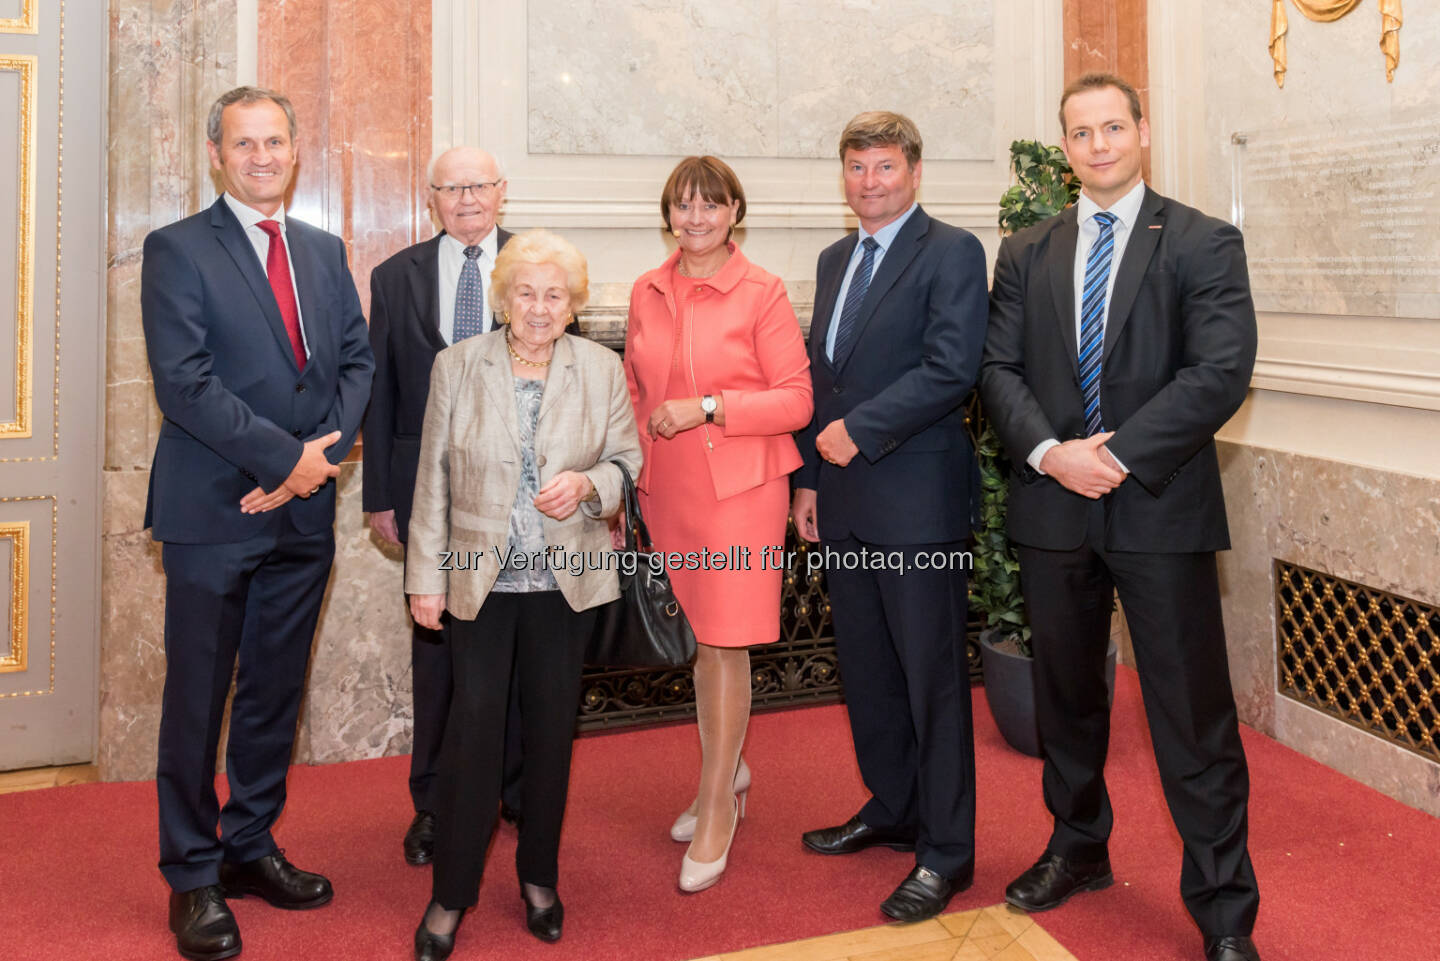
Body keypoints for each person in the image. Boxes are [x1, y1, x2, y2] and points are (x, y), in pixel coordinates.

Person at [980, 73, 1261, 961]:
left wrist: (1116, 453)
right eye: (1080, 131)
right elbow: (997, 372)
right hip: (1053, 507)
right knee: (1066, 699)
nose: (1098, 144)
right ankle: (1078, 844)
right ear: (1063, 147)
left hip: (1158, 507)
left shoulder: (1203, 241)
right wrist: (1052, 455)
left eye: (1113, 126)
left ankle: (1223, 911)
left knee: (1191, 713)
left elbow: (1220, 370)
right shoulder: (1025, 251)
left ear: (1143, 130)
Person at [141, 86, 374, 961]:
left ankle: (249, 844)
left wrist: (315, 460)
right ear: (217, 154)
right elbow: (185, 384)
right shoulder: (175, 250)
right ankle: (192, 874)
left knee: (276, 687)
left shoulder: (321, 249)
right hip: (212, 512)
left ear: (294, 148)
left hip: (302, 515)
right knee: (198, 700)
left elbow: (356, 358)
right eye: (245, 144)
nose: (263, 157)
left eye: (275, 140)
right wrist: (287, 459)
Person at [405, 229, 641, 960]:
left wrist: (592, 486)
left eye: (555, 295)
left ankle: (539, 875)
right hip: (480, 578)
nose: (540, 307)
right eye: (526, 292)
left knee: (548, 737)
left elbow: (628, 460)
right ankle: (451, 893)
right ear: (504, 298)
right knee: (472, 737)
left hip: (564, 584)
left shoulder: (601, 369)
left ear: (573, 305)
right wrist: (424, 577)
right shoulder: (458, 365)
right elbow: (433, 479)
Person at [793, 111, 989, 922]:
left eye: (883, 167)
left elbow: (953, 367)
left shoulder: (952, 251)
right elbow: (821, 377)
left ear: (913, 170)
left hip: (916, 503)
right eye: (855, 167)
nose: (868, 182)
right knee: (868, 674)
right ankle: (892, 806)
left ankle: (946, 851)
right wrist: (808, 479)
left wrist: (860, 431)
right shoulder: (836, 257)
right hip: (842, 502)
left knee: (933, 682)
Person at [624, 156, 814, 892]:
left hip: (739, 491)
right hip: (666, 491)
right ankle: (728, 767)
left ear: (735, 210)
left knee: (725, 643)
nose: (695, 218)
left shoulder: (762, 291)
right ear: (669, 214)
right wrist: (629, 483)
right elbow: (638, 395)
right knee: (694, 645)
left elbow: (796, 400)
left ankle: (715, 806)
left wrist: (710, 406)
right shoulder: (646, 289)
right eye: (682, 206)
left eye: (711, 205)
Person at [363, 145, 528, 867]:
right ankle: (432, 803)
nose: (466, 198)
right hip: (424, 491)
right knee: (436, 655)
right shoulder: (394, 276)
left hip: (518, 491)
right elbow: (381, 391)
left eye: (479, 185)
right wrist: (377, 496)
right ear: (431, 198)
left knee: (520, 643)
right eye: (451, 187)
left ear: (500, 192)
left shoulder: (539, 263)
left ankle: (518, 789)